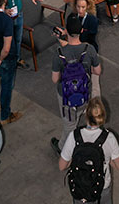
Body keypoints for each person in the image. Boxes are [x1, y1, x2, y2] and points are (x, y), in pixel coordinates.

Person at [50, 12, 101, 152]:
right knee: (81, 113)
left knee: (69, 125)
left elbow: (55, 79)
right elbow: (97, 71)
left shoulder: (59, 52)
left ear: (66, 30)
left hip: (66, 96)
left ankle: (62, 148)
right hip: (84, 92)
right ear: (81, 31)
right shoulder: (89, 49)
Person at [59, 97, 119, 204]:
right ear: (103, 116)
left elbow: (62, 166)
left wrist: (75, 159)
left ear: (86, 115)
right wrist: (107, 160)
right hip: (102, 187)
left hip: (80, 186)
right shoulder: (109, 138)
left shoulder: (74, 136)